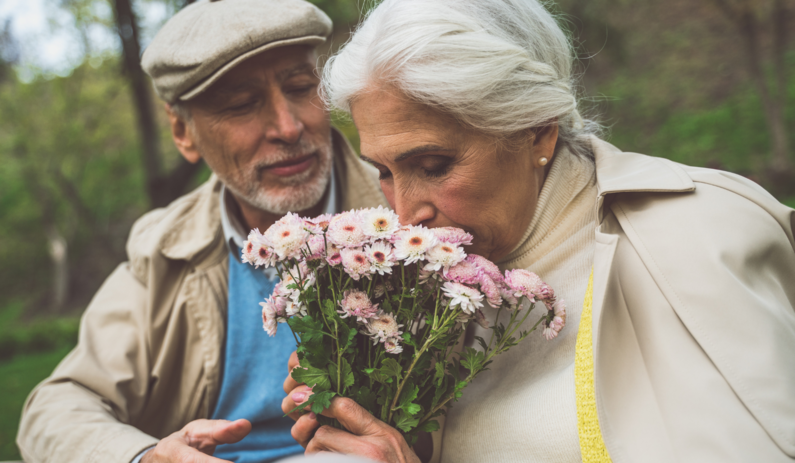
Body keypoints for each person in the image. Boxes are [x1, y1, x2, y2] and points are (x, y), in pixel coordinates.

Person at [280, 0, 795, 462]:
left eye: (434, 165)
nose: (407, 212)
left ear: (536, 131)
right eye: (386, 172)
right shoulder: (422, 286)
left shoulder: (696, 235)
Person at [15, 1, 386, 462]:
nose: (289, 127)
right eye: (241, 105)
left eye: (301, 86)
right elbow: (55, 407)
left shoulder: (408, 215)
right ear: (183, 132)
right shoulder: (165, 247)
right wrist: (147, 457)